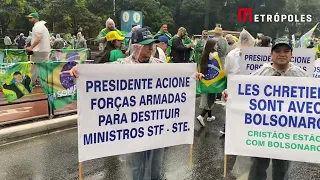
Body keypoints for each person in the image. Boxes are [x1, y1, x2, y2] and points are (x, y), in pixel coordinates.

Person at [68, 28, 204, 180]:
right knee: (137, 168)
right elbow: (100, 73)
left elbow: (176, 77)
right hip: (135, 127)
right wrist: (80, 71)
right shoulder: (124, 66)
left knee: (156, 168)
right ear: (137, 46)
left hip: (156, 126)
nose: (151, 48)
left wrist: (192, 76)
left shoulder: (159, 65)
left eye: (152, 44)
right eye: (146, 45)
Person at [223, 38, 308, 180]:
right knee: (258, 167)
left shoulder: (300, 74)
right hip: (262, 132)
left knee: (282, 169)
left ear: (291, 54)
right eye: (278, 51)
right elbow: (243, 90)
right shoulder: (262, 73)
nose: (282, 54)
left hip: (286, 134)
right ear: (271, 54)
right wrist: (229, 93)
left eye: (286, 51)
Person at [220, 29, 255, 135]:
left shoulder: (231, 54)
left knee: (232, 107)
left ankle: (229, 128)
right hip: (248, 86)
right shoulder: (255, 54)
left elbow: (226, 70)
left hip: (233, 84)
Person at [196, 39, 219, 127]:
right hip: (213, 80)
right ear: (212, 46)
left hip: (205, 79)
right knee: (211, 99)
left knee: (209, 97)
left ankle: (209, 116)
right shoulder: (214, 55)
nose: (217, 46)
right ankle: (201, 116)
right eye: (216, 45)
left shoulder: (204, 55)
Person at [26, 12, 51, 86]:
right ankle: (44, 83)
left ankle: (31, 83)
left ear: (36, 18)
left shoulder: (37, 26)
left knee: (34, 66)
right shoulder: (43, 26)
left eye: (31, 18)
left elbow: (38, 38)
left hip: (39, 51)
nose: (29, 19)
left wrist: (31, 47)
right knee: (44, 67)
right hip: (45, 50)